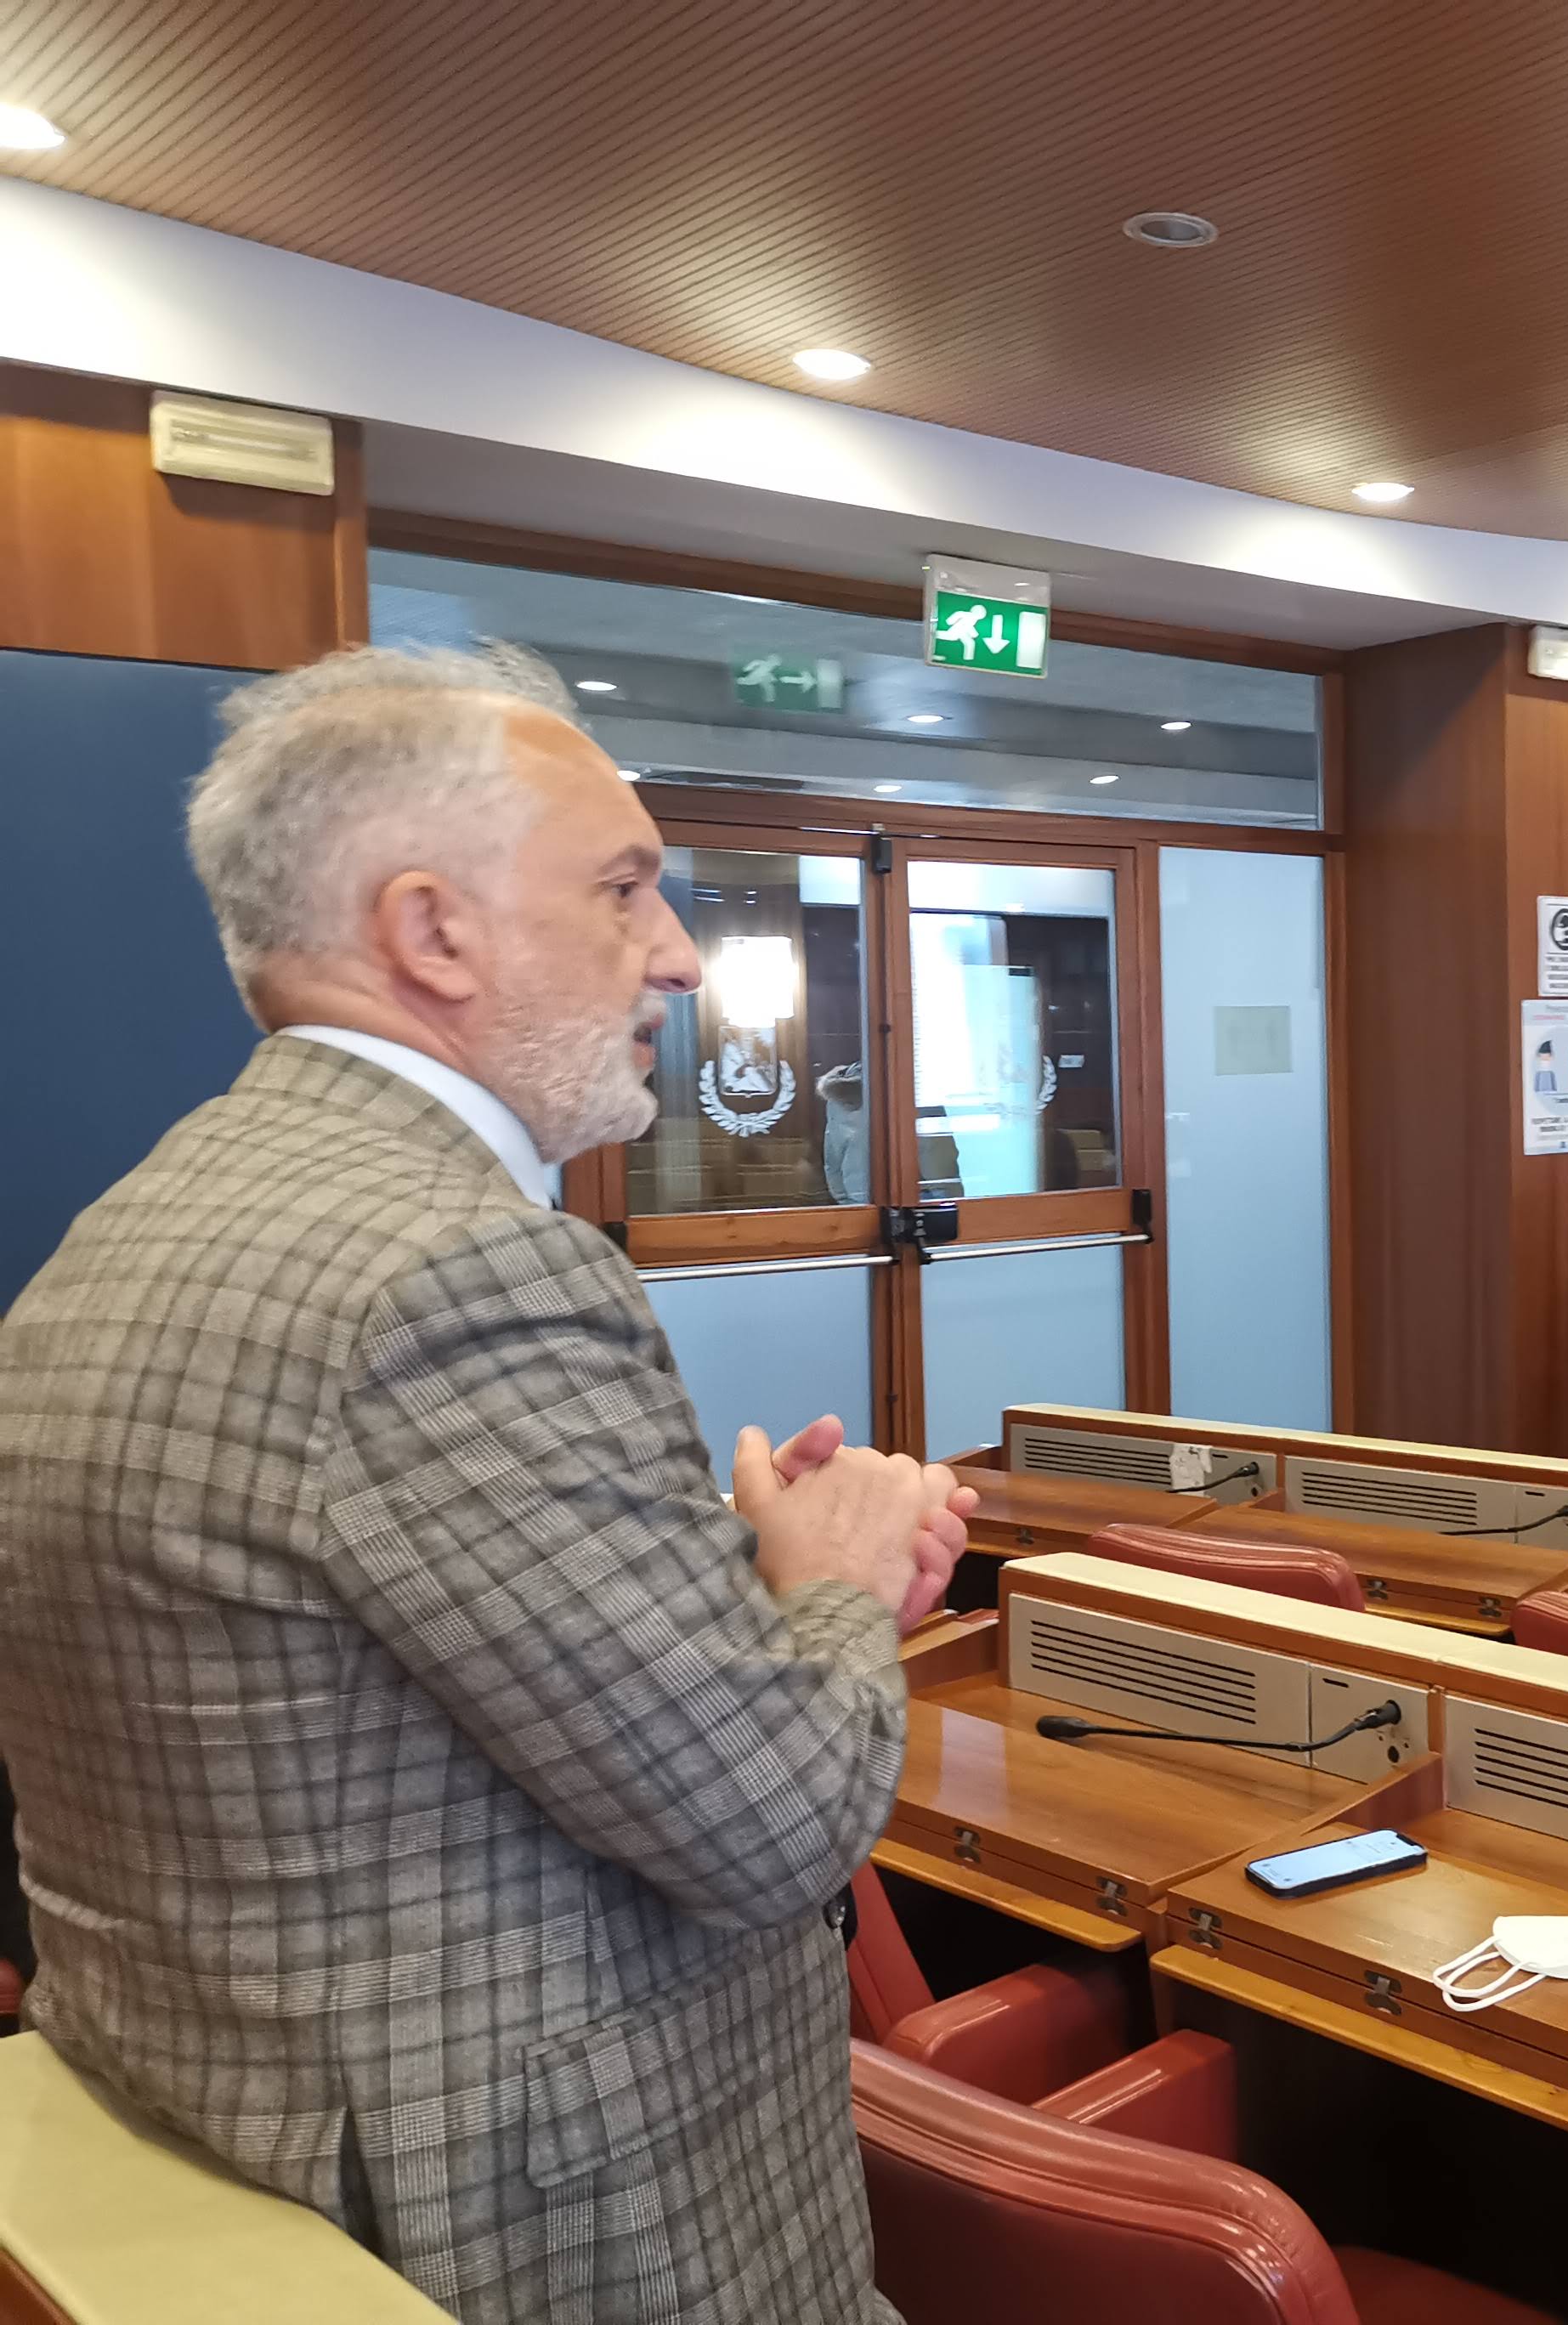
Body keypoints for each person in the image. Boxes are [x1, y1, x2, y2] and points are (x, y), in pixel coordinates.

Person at [0, 644, 976, 2324]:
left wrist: (728, 1583)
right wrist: (835, 1577)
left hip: (226, 2145)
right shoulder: (461, 1271)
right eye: (623, 888)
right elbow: (772, 1828)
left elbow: (352, 1696)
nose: (675, 955)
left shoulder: (126, 1230)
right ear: (431, 931)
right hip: (538, 2235)